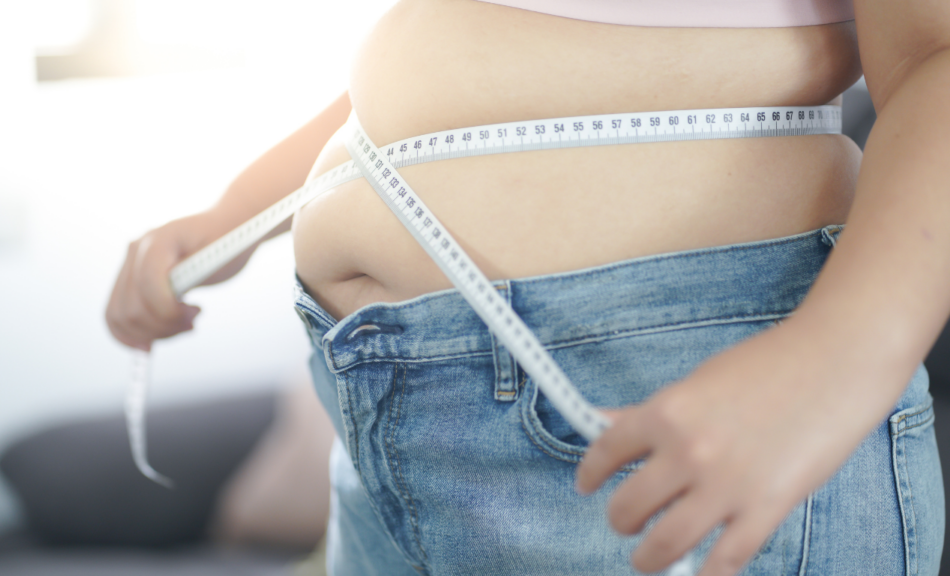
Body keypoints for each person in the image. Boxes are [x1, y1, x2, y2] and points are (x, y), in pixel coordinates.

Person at [106, 1, 950, 574]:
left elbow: (934, 56)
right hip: (372, 415)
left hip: (665, 395)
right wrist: (235, 215)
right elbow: (437, 69)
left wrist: (833, 365)